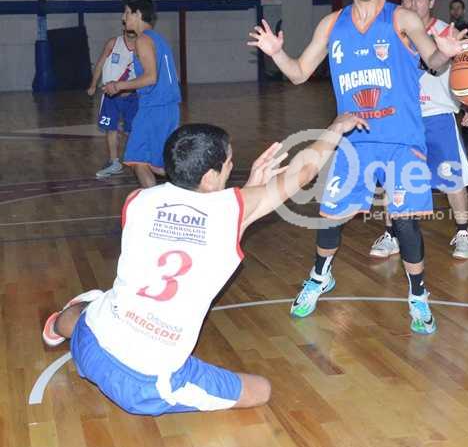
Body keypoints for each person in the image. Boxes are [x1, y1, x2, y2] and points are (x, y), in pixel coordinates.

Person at [41, 113, 368, 415]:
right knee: (261, 390)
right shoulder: (232, 209)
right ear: (210, 177)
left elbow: (197, 224)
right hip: (144, 384)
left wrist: (249, 192)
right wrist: (336, 127)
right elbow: (304, 172)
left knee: (89, 314)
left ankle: (58, 324)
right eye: (228, 162)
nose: (231, 166)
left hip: (91, 339)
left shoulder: (137, 199)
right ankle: (81, 312)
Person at [248, 0, 468, 334]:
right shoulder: (331, 24)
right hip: (355, 139)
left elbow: (433, 61)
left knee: (405, 223)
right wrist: (276, 54)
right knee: (331, 217)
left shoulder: (403, 18)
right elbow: (299, 73)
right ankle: (320, 276)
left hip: (402, 139)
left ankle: (418, 295)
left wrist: (447, 52)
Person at [370, 0, 468, 260]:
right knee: (394, 180)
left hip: (438, 114)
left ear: (431, 2)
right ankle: (392, 235)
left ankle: (463, 233)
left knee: (452, 178)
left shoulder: (447, 32)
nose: (413, 1)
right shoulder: (391, 33)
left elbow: (466, 73)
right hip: (401, 118)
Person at [104, 0, 181, 189]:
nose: (123, 18)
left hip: (154, 108)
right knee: (158, 165)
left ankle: (156, 204)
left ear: (138, 14)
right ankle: (193, 185)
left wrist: (119, 85)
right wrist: (131, 89)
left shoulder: (143, 40)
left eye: (127, 13)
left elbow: (151, 77)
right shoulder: (158, 39)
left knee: (137, 159)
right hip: (167, 107)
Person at [88, 27, 139, 178]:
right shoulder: (113, 43)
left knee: (132, 130)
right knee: (111, 128)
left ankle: (138, 161)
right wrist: (93, 84)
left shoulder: (143, 47)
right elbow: (100, 64)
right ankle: (114, 162)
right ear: (124, 27)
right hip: (111, 95)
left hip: (132, 96)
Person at [448, 0, 468, 146]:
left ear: (464, 10)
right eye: (453, 8)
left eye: (458, 8)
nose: (456, 11)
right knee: (450, 105)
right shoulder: (446, 28)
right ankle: (452, 138)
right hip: (450, 72)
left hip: (465, 72)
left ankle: (467, 139)